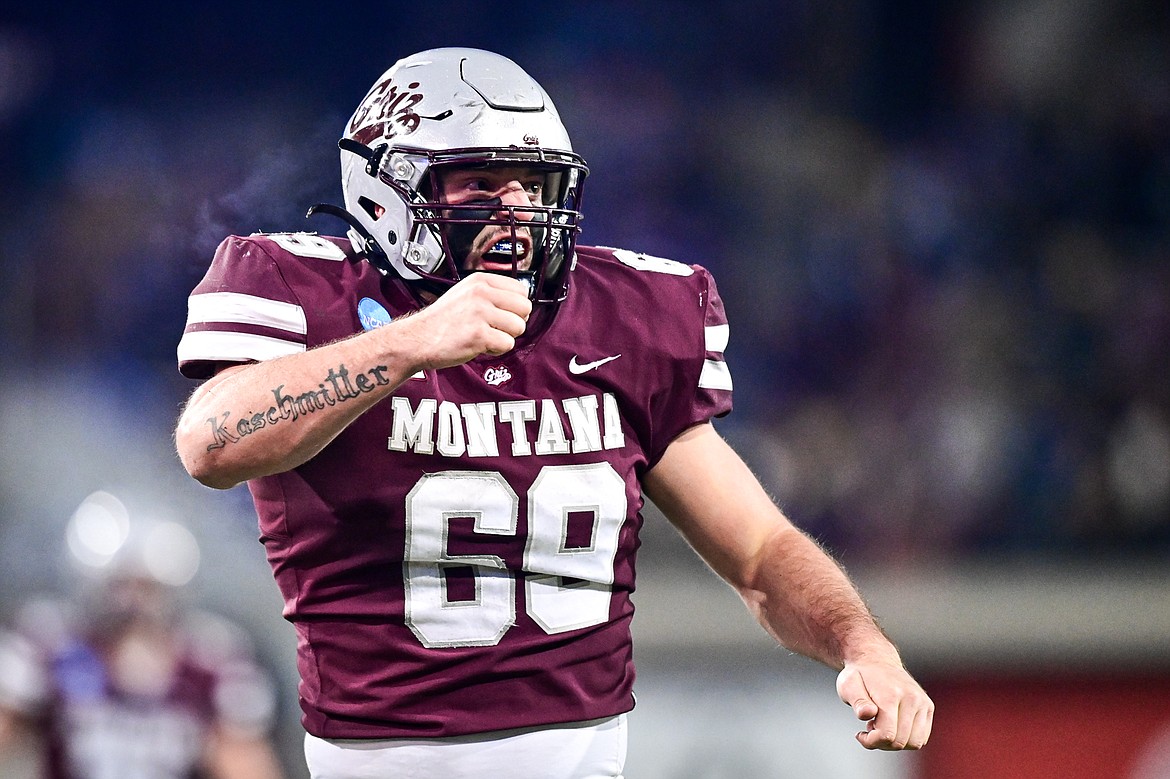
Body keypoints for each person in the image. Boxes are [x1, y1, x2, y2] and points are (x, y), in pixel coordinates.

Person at [173, 47, 933, 778]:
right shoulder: (304, 290)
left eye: (533, 186)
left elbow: (761, 550)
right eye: (480, 184)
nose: (516, 212)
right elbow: (211, 441)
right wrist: (410, 344)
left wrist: (862, 642)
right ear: (387, 194)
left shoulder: (626, 317)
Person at [0, 573, 286, 779]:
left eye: (146, 589)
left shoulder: (211, 662)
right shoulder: (53, 647)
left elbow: (244, 762)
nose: (132, 605)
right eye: (122, 586)